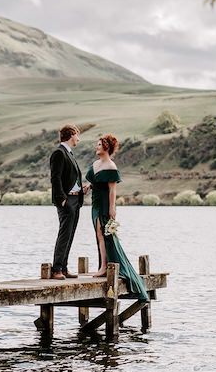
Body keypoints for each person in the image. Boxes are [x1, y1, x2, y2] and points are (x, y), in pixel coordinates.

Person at [85, 134, 148, 302]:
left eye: (99, 145)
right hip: (95, 204)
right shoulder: (96, 164)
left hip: (105, 204)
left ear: (106, 148)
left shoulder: (111, 166)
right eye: (97, 144)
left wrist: (113, 209)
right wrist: (88, 186)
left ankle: (105, 266)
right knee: (99, 234)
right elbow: (95, 181)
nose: (96, 147)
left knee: (105, 235)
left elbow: (112, 190)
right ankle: (103, 266)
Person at [49, 124, 89, 281]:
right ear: (71, 135)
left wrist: (80, 190)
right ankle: (56, 269)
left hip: (75, 198)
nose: (78, 138)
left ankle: (64, 268)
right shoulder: (59, 153)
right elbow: (55, 178)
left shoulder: (69, 153)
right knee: (64, 234)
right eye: (77, 135)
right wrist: (62, 199)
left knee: (70, 234)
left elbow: (70, 178)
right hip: (66, 200)